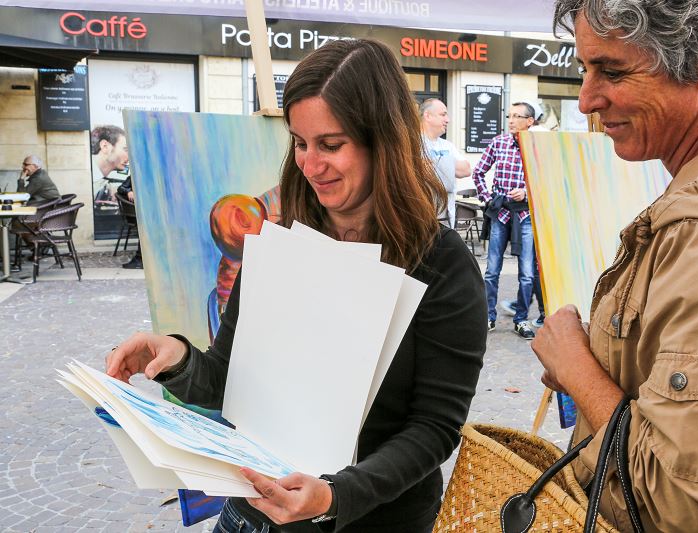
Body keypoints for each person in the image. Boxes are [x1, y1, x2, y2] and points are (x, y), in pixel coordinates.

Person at [106, 38, 487, 533]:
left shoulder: (441, 264)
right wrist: (174, 355)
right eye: (300, 143)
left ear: (384, 142)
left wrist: (335, 494)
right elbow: (228, 378)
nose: (309, 165)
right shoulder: (280, 242)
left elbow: (434, 428)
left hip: (369, 523)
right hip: (249, 514)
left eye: (331, 145)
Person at [535, 1, 698, 531]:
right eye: (585, 69)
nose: (587, 98)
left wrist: (575, 368)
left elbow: (679, 506)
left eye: (612, 70)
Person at [472, 101, 542, 339]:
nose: (511, 121)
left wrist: (526, 191)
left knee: (526, 273)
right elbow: (478, 172)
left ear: (529, 121)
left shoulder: (537, 147)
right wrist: (489, 198)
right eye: (509, 116)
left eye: (516, 116)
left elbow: (545, 181)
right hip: (500, 214)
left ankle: (521, 320)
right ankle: (488, 317)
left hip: (525, 215)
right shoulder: (498, 143)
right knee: (492, 270)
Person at [419, 98, 471, 227]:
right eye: (443, 114)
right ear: (428, 116)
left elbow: (466, 170)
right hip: (420, 217)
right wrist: (447, 164)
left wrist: (432, 163)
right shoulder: (412, 142)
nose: (447, 120)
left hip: (447, 219)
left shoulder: (448, 146)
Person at [90, 125, 129, 205]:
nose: (130, 156)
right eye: (126, 149)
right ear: (105, 146)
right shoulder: (86, 177)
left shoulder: (98, 180)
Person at [115, 175, 142, 270]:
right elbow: (121, 188)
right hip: (136, 214)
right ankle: (140, 258)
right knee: (146, 227)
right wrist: (128, 191)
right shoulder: (135, 176)